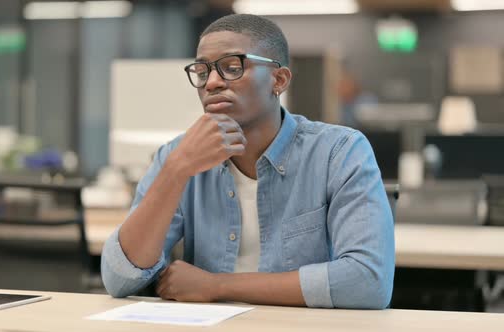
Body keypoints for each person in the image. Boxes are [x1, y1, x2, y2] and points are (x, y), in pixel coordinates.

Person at [101, 14, 394, 309]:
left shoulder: (338, 151)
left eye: (231, 67)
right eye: (202, 71)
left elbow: (368, 282)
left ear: (278, 80)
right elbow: (119, 278)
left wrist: (214, 286)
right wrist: (177, 170)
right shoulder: (178, 156)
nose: (212, 82)